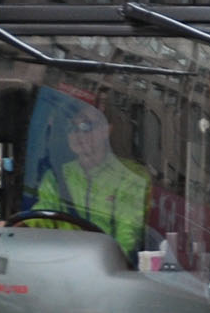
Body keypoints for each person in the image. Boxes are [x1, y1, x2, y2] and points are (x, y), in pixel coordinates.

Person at [29, 101, 151, 255]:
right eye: (72, 128)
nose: (78, 135)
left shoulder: (131, 176)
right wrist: (16, 229)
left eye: (86, 127)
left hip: (108, 269)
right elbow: (40, 218)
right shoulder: (56, 176)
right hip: (63, 266)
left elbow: (127, 238)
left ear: (106, 130)